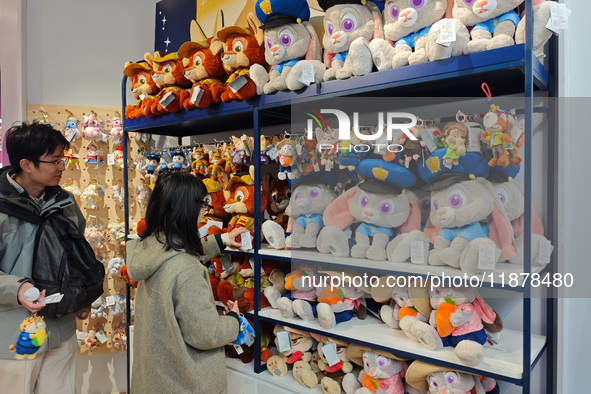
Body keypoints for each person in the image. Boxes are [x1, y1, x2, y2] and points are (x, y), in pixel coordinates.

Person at [126, 171, 249, 393]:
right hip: (184, 382)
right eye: (203, 204)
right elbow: (205, 334)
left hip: (155, 378)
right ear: (187, 208)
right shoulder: (187, 271)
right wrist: (234, 321)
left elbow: (178, 253)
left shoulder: (152, 249)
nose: (205, 211)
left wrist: (221, 240)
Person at [0, 122, 87, 393]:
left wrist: (84, 294)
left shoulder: (66, 202)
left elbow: (80, 255)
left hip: (61, 329)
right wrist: (18, 289)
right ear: (26, 164)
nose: (62, 166)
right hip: (16, 333)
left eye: (63, 159)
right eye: (55, 161)